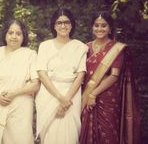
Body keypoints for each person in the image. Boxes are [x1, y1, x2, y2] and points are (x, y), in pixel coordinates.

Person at [80, 11, 141, 144]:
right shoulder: (85, 48)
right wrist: (88, 95)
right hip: (87, 94)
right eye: (96, 25)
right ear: (92, 27)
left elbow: (114, 76)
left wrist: (93, 94)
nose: (100, 29)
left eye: (104, 25)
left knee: (108, 132)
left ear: (110, 28)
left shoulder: (116, 48)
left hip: (108, 98)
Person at [35, 8, 88, 144]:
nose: (63, 26)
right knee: (50, 136)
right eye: (59, 22)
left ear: (72, 25)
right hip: (49, 94)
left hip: (71, 95)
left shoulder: (80, 47)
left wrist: (66, 102)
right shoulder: (45, 46)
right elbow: (41, 73)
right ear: (54, 25)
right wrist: (60, 98)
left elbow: (81, 75)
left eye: (66, 22)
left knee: (69, 135)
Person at [0, 19, 40, 144]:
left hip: (20, 105)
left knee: (20, 138)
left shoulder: (30, 54)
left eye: (18, 33)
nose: (14, 36)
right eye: (11, 33)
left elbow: (35, 85)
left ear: (23, 36)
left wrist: (13, 94)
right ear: (5, 34)